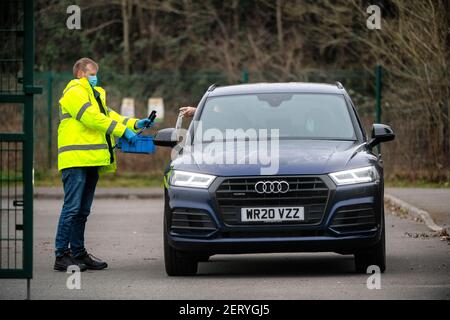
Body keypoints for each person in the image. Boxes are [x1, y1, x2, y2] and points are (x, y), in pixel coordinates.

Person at [54, 57, 153, 271]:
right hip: (75, 160)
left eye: (96, 74)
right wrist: (122, 131)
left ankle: (79, 254)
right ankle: (61, 255)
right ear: (80, 73)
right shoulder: (74, 92)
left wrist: (135, 123)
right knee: (71, 209)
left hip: (91, 160)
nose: (95, 77)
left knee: (82, 211)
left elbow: (110, 116)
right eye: (92, 73)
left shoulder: (94, 94)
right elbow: (92, 119)